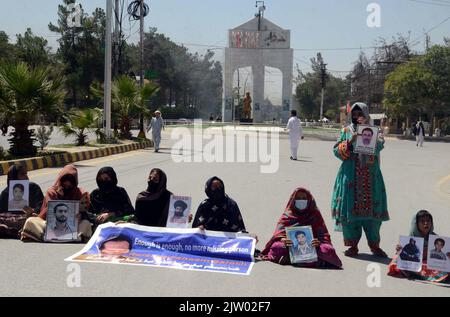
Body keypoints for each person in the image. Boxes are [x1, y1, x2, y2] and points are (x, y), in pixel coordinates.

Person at [331, 102, 389, 258]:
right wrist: (350, 141)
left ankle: (375, 245)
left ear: (366, 114)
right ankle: (353, 245)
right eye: (355, 114)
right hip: (350, 179)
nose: (357, 117)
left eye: (360, 114)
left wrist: (368, 134)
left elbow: (379, 146)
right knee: (350, 213)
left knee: (373, 217)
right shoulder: (345, 131)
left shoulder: (374, 131)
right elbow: (336, 151)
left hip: (371, 178)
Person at [260, 187, 342, 268]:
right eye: (298, 198)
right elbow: (278, 234)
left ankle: (290, 260)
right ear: (293, 200)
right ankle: (315, 262)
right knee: (276, 247)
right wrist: (283, 240)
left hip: (312, 247)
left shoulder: (315, 214)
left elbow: (324, 235)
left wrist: (318, 242)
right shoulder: (288, 215)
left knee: (328, 249)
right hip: (291, 247)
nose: (301, 200)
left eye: (304, 198)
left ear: (309, 200)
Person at [21, 165, 92, 242]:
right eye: (65, 182)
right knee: (31, 221)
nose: (67, 185)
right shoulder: (52, 192)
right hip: (49, 226)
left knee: (86, 223)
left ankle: (75, 237)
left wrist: (80, 216)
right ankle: (45, 236)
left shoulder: (79, 193)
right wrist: (59, 198)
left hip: (72, 228)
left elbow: (86, 212)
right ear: (60, 180)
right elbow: (47, 212)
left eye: (71, 182)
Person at [388, 210, 449, 283]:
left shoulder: (435, 238)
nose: (426, 223)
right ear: (416, 224)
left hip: (429, 264)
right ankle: (412, 272)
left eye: (428, 221)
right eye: (422, 221)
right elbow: (405, 254)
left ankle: (415, 273)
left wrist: (447, 255)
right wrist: (399, 250)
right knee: (396, 259)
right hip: (416, 263)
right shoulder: (411, 238)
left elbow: (441, 256)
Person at [0, 164, 44, 239]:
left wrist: (33, 211)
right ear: (13, 177)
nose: (27, 177)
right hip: (11, 221)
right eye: (23, 174)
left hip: (28, 219)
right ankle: (20, 231)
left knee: (33, 221)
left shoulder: (33, 188)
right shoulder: (5, 193)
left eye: (26, 174)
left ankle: (13, 231)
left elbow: (41, 206)